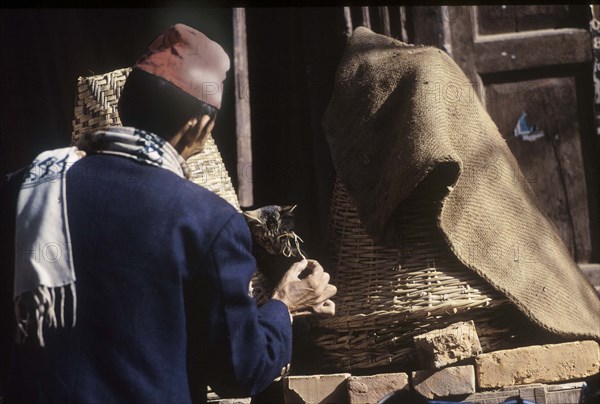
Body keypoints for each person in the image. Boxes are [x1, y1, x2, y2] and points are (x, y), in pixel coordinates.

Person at [0, 23, 336, 403]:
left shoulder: (25, 187)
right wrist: (283, 305)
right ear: (200, 125)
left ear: (125, 106)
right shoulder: (206, 220)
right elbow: (241, 371)